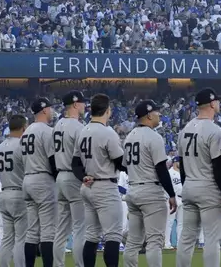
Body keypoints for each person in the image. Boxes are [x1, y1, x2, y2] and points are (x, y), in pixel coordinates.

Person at [177, 88, 221, 267]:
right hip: (208, 186)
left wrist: (187, 187)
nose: (219, 103)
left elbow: (183, 165)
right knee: (211, 240)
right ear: (211, 103)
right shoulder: (214, 130)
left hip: (190, 185)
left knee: (186, 239)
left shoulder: (185, 129)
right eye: (217, 101)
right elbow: (217, 167)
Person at [72, 94, 125, 267]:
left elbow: (75, 163)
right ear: (107, 110)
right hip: (105, 186)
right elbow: (121, 162)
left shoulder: (83, 131)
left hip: (87, 186)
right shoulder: (107, 132)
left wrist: (83, 176)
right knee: (113, 235)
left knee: (92, 235)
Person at [123, 99, 178, 267]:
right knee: (155, 242)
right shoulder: (153, 136)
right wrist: (171, 194)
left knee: (133, 241)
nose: (159, 114)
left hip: (133, 190)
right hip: (151, 191)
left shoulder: (129, 137)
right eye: (156, 111)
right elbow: (161, 169)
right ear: (148, 115)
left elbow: (125, 167)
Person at [21, 97, 57, 267]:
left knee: (32, 232)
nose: (51, 111)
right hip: (43, 178)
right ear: (44, 110)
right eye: (49, 108)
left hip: (27, 178)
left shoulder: (26, 131)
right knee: (48, 232)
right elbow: (53, 160)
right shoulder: (47, 131)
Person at [53, 90, 87, 267]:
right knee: (80, 227)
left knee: (61, 230)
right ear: (75, 104)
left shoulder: (58, 125)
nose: (84, 105)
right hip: (74, 177)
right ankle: (80, 264)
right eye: (82, 102)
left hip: (59, 176)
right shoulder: (78, 127)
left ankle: (58, 265)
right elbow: (83, 157)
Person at [0, 115, 28, 267]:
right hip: (19, 192)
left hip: (4, 193)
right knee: (21, 238)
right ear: (24, 127)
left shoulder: (1, 146)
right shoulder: (22, 145)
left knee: (7, 239)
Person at [165, 157, 183, 250]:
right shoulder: (170, 172)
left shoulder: (183, 172)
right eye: (179, 161)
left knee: (181, 223)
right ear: (175, 162)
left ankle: (180, 244)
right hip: (173, 198)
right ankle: (166, 243)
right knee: (169, 222)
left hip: (182, 198)